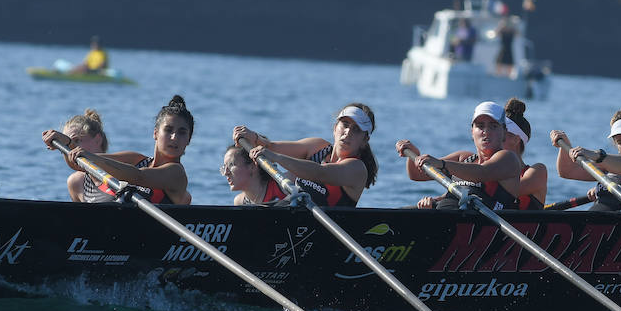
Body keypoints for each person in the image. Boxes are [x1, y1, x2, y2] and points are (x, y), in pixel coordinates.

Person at [42, 94, 194, 204]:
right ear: (155, 133)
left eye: (182, 132)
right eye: (168, 130)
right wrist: (66, 143)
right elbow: (78, 164)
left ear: (188, 139)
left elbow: (137, 177)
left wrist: (90, 156)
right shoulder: (135, 159)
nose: (174, 137)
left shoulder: (176, 173)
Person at [234, 103, 378, 208]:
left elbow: (320, 173)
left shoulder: (357, 168)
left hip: (321, 231)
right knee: (240, 202)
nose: (348, 133)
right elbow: (271, 146)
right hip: (290, 213)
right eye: (345, 124)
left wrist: (276, 158)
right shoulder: (317, 147)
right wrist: (254, 137)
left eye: (356, 130)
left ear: (365, 140)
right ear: (335, 128)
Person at [396, 101, 523, 211]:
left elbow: (481, 173)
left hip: (482, 224)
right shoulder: (463, 158)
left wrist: (442, 164)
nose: (486, 131)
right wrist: (414, 155)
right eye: (480, 126)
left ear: (504, 132)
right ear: (472, 132)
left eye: (493, 126)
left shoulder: (509, 159)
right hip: (449, 215)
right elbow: (416, 175)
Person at [57, 109, 112, 202]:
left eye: (77, 140)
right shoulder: (76, 182)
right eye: (67, 144)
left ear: (98, 140)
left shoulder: (125, 168)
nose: (71, 147)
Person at [502, 97, 547, 209]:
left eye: (500, 132)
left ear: (516, 139)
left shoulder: (537, 171)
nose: (493, 136)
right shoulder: (481, 165)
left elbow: (510, 191)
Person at [221, 145, 285, 206]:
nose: (226, 173)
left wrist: (276, 157)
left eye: (231, 165)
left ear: (252, 167)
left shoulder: (283, 186)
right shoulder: (239, 202)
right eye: (224, 167)